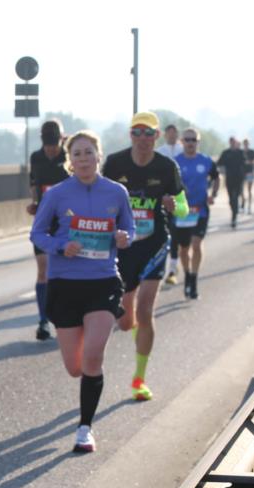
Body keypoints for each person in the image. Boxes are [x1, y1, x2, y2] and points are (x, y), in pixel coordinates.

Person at [31, 130, 133, 451]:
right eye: (77, 154)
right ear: (69, 160)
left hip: (102, 280)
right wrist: (62, 246)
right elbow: (37, 234)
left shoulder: (116, 192)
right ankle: (87, 388)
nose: (84, 159)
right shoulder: (57, 194)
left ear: (99, 155)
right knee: (75, 367)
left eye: (89, 152)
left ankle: (84, 428)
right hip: (64, 284)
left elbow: (129, 227)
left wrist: (124, 238)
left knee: (93, 356)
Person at [102, 111, 188, 402]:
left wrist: (172, 204)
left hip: (154, 245)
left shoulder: (167, 167)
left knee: (146, 311)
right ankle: (134, 330)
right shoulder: (115, 163)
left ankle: (139, 379)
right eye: (136, 133)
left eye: (148, 133)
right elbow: (98, 198)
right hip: (124, 248)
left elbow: (184, 207)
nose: (142, 139)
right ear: (130, 136)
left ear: (157, 137)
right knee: (126, 321)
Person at [27, 119, 69, 340]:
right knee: (43, 269)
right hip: (44, 221)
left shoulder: (71, 155)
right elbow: (34, 183)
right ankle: (43, 321)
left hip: (68, 222)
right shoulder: (36, 157)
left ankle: (64, 316)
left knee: (64, 270)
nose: (51, 149)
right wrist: (35, 203)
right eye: (47, 145)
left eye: (54, 144)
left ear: (61, 140)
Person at [174, 128, 220, 299]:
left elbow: (216, 177)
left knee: (196, 244)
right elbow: (169, 183)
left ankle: (194, 277)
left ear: (198, 142)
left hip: (200, 210)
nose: (190, 143)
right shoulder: (176, 162)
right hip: (182, 211)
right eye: (187, 139)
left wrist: (213, 195)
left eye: (194, 140)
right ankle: (187, 274)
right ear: (182, 141)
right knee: (183, 249)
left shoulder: (206, 161)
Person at [157, 124, 184, 285]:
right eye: (169, 133)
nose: (172, 136)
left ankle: (173, 265)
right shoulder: (160, 152)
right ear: (165, 135)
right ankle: (170, 267)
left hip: (180, 197)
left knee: (178, 235)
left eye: (175, 133)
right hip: (163, 197)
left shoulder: (182, 151)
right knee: (168, 232)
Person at [216, 137, 246, 228]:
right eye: (231, 142)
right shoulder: (226, 153)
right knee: (230, 198)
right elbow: (219, 162)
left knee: (235, 196)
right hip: (229, 178)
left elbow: (245, 163)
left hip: (239, 178)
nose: (232, 143)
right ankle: (234, 211)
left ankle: (234, 216)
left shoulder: (240, 153)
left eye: (234, 142)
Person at [242, 138, 254, 214]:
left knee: (249, 190)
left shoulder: (252, 152)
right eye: (245, 143)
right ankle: (243, 200)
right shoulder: (241, 152)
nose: (246, 145)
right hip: (242, 172)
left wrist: (250, 162)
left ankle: (249, 206)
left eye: (247, 143)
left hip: (250, 172)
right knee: (241, 189)